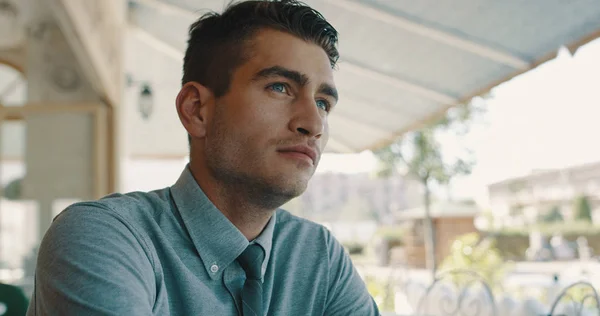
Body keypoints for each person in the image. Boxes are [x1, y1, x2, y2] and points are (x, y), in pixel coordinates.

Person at [27, 0, 380, 315]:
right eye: (280, 87)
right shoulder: (104, 238)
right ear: (196, 110)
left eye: (323, 103)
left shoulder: (320, 257)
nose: (314, 123)